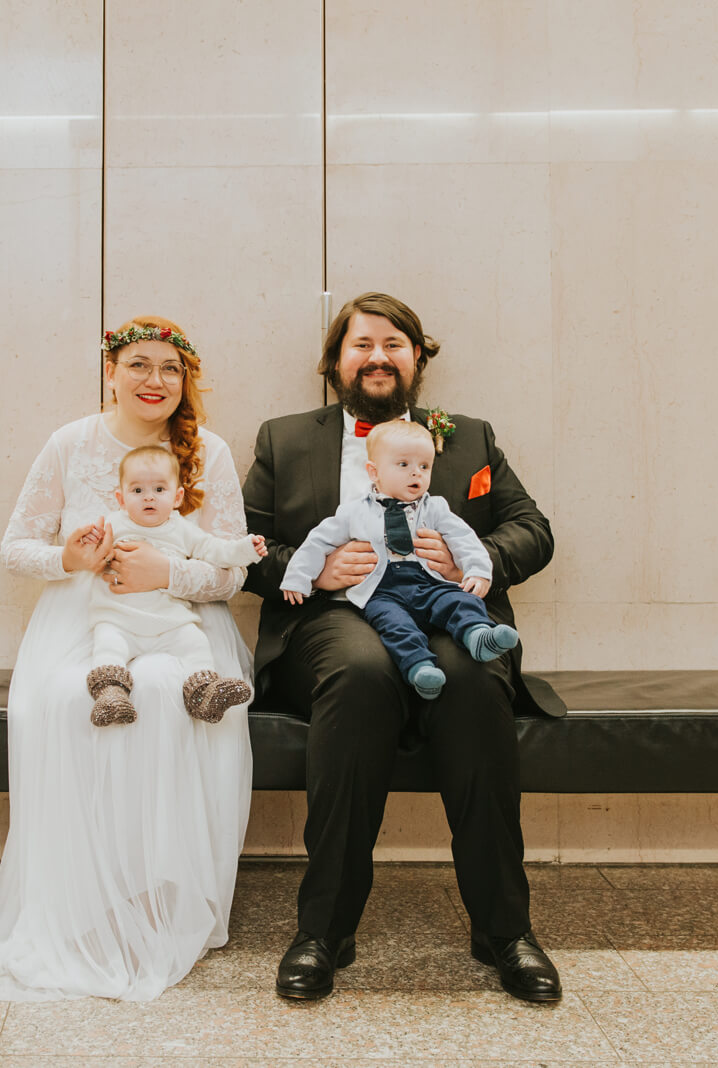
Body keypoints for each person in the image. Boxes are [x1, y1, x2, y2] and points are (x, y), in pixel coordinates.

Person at [0, 316, 255, 1002]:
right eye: (140, 365)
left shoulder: (207, 451)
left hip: (182, 619)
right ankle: (85, 901)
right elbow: (15, 547)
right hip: (82, 620)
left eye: (170, 369)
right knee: (70, 702)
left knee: (167, 689)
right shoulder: (70, 444)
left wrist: (166, 573)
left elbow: (231, 572)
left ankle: (164, 899)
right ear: (111, 371)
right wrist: (69, 558)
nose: (155, 381)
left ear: (186, 380)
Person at [242, 292, 564, 1003]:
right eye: (362, 344)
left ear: (417, 359)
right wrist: (313, 568)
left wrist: (470, 565)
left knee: (476, 681)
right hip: (330, 619)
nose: (378, 356)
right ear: (335, 362)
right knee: (359, 676)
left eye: (394, 343)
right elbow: (243, 544)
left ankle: (504, 929)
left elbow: (531, 529)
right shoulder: (285, 438)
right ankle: (324, 930)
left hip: (451, 617)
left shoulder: (469, 438)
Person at [279, 420, 519, 700]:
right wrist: (299, 577)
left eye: (424, 466)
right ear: (374, 472)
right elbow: (317, 542)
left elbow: (465, 538)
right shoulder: (353, 512)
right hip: (383, 591)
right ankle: (420, 668)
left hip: (430, 584)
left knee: (461, 601)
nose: (416, 472)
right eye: (403, 465)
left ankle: (478, 635)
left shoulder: (435, 508)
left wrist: (477, 571)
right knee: (393, 624)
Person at [84, 444, 268, 726]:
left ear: (177, 496)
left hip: (169, 621)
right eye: (137, 491)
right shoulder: (112, 525)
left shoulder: (181, 529)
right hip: (119, 618)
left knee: (196, 643)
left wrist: (246, 549)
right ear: (120, 499)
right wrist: (92, 545)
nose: (149, 497)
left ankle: (203, 695)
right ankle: (111, 694)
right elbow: (93, 556)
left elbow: (216, 551)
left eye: (159, 490)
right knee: (107, 644)